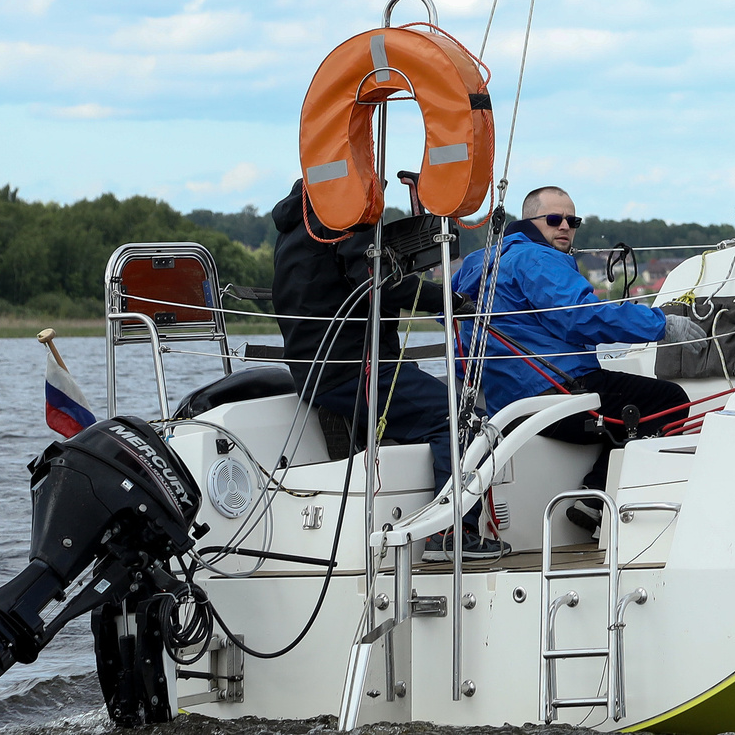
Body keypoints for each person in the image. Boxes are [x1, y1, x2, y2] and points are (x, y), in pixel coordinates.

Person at [268, 182, 502, 560]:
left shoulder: (301, 223)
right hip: (352, 369)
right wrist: (449, 301)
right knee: (463, 417)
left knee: (439, 410)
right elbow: (379, 284)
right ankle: (450, 534)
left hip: (319, 370)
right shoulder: (346, 214)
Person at [450, 187, 691, 503]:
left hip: (506, 406)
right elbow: (582, 317)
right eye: (553, 219)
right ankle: (594, 501)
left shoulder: (477, 263)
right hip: (558, 394)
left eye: (572, 220)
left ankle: (594, 499)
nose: (565, 226)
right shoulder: (538, 259)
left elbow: (450, 317)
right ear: (530, 221)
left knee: (628, 403)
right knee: (670, 401)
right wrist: (661, 325)